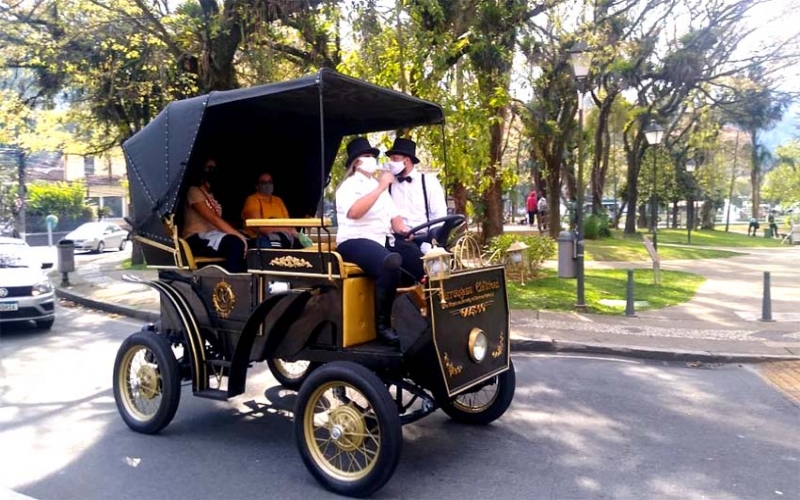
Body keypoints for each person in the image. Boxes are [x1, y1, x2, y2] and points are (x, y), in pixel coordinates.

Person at [336, 137, 412, 345]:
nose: (373, 160)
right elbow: (354, 213)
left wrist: (408, 233)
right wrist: (380, 188)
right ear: (357, 162)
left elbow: (396, 221)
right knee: (390, 263)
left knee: (419, 259)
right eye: (368, 156)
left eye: (372, 156)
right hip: (353, 241)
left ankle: (422, 318)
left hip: (382, 240)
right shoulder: (349, 186)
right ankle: (382, 327)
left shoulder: (378, 186)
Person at [384, 137, 448, 280]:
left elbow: (439, 214)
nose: (391, 163)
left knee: (444, 261)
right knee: (417, 260)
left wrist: (430, 239)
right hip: (399, 240)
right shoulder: (387, 185)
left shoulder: (428, 181)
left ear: (406, 161)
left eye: (394, 159)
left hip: (426, 237)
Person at [182, 158, 247, 272]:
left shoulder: (212, 195)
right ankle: (232, 283)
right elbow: (213, 219)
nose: (213, 171)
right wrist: (238, 235)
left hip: (213, 236)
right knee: (235, 243)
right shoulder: (194, 191)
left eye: (215, 168)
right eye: (209, 168)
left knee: (251, 242)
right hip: (196, 238)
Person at [241, 171, 302, 248]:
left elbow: (288, 223)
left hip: (282, 235)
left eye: (270, 182)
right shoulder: (252, 200)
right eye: (264, 182)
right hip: (260, 237)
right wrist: (281, 229)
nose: (268, 185)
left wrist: (294, 232)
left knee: (301, 245)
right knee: (275, 245)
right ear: (257, 186)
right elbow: (257, 227)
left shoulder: (278, 200)